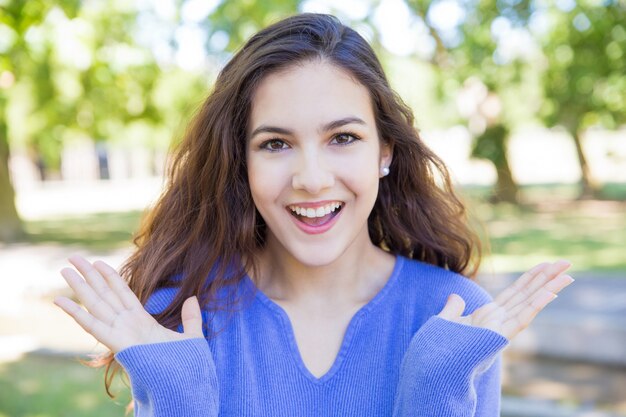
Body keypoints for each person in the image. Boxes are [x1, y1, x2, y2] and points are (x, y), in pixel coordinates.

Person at [53, 13, 574, 417]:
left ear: (385, 151)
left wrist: (432, 392)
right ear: (242, 161)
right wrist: (178, 399)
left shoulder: (456, 316)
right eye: (276, 143)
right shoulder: (180, 317)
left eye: (342, 138)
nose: (312, 178)